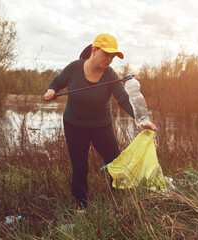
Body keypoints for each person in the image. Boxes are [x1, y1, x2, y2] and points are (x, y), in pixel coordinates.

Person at [44, 33, 156, 209]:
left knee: (116, 166)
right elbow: (57, 82)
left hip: (101, 128)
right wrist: (50, 91)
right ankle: (81, 210)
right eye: (107, 54)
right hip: (74, 126)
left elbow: (124, 100)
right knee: (80, 169)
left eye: (113, 56)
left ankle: (117, 206)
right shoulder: (74, 68)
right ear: (94, 50)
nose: (110, 59)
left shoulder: (111, 75)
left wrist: (141, 121)